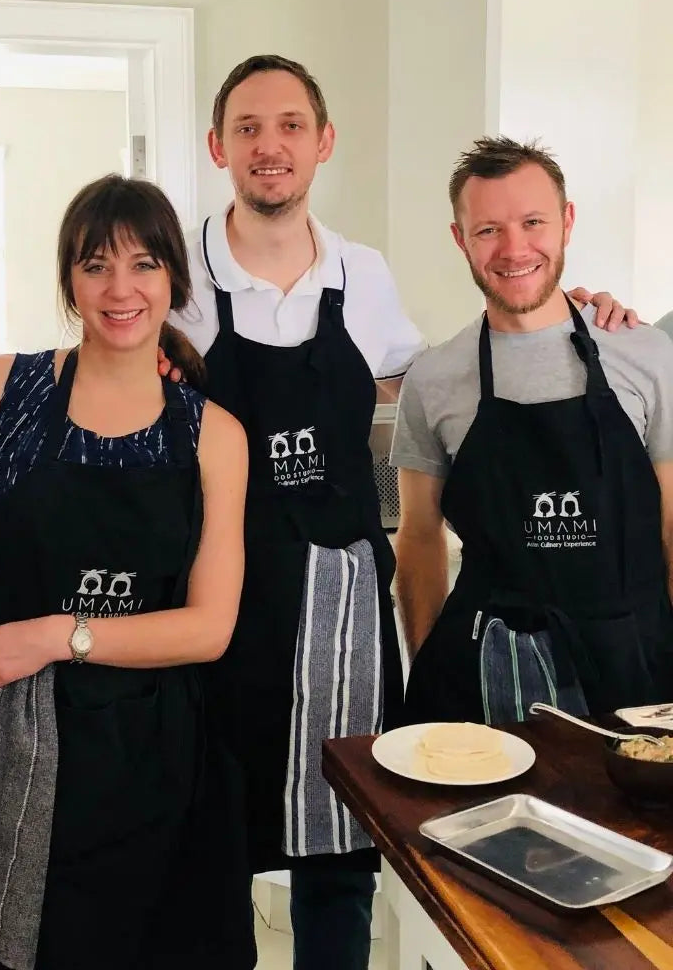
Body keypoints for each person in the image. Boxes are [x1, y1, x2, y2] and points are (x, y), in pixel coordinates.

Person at [166, 55, 636, 970]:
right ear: (218, 146)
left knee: (340, 846)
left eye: (292, 125)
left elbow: (437, 376)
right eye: (250, 127)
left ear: (323, 142)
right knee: (211, 830)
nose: (271, 146)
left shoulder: (364, 272)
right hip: (217, 593)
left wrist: (577, 313)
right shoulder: (176, 273)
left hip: (340, 600)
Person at [0, 174, 254, 970]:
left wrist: (55, 635)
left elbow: (209, 629)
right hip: (12, 732)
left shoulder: (214, 436)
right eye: (96, 266)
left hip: (151, 752)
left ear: (174, 280)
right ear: (68, 280)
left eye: (144, 265)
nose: (121, 289)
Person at [393, 136, 673, 726]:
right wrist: (430, 665)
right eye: (488, 229)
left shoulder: (646, 355)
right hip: (488, 673)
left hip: (640, 672)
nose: (514, 248)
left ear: (567, 222)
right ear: (459, 239)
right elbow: (419, 539)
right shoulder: (435, 376)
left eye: (533, 221)